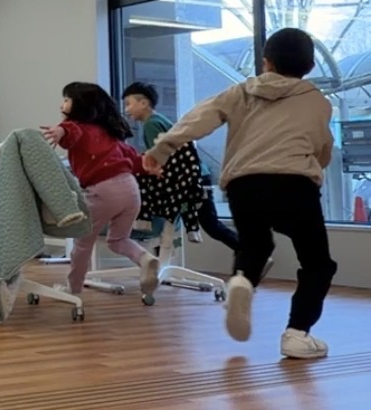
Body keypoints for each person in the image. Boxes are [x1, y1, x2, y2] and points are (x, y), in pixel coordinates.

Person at [143, 27, 336, 360]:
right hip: (295, 185)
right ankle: (296, 333)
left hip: (244, 184)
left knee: (256, 245)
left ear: (266, 62)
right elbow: (323, 147)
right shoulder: (318, 101)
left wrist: (162, 149)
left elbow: (199, 119)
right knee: (317, 263)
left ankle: (242, 281)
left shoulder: (241, 92)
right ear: (310, 66)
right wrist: (316, 166)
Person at [41, 81, 160, 301]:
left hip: (103, 191)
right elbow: (134, 159)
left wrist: (59, 130)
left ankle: (73, 288)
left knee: (82, 243)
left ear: (80, 104)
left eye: (66, 100)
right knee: (118, 240)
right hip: (131, 190)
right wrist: (150, 166)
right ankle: (145, 258)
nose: (61, 105)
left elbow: (71, 132)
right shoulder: (110, 134)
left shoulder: (78, 127)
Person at [123, 80, 240, 254]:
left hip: (192, 179)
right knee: (205, 224)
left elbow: (162, 158)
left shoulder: (151, 124)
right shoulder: (159, 120)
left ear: (144, 103)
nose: (126, 109)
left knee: (210, 225)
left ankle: (250, 253)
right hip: (196, 175)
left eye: (128, 104)